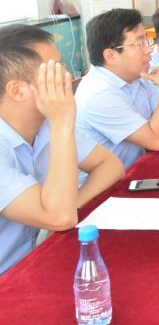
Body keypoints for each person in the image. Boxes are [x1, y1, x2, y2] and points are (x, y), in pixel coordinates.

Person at [0, 25, 124, 274]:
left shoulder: (46, 122)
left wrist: (72, 203)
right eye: (55, 70)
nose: (67, 77)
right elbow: (60, 218)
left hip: (28, 263)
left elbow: (111, 165)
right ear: (18, 90)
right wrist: (62, 125)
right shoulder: (57, 122)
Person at [75, 8, 159, 169]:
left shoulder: (135, 76)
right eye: (140, 43)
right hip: (112, 183)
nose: (149, 49)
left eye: (148, 41)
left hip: (139, 168)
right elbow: (158, 141)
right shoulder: (98, 94)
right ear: (111, 56)